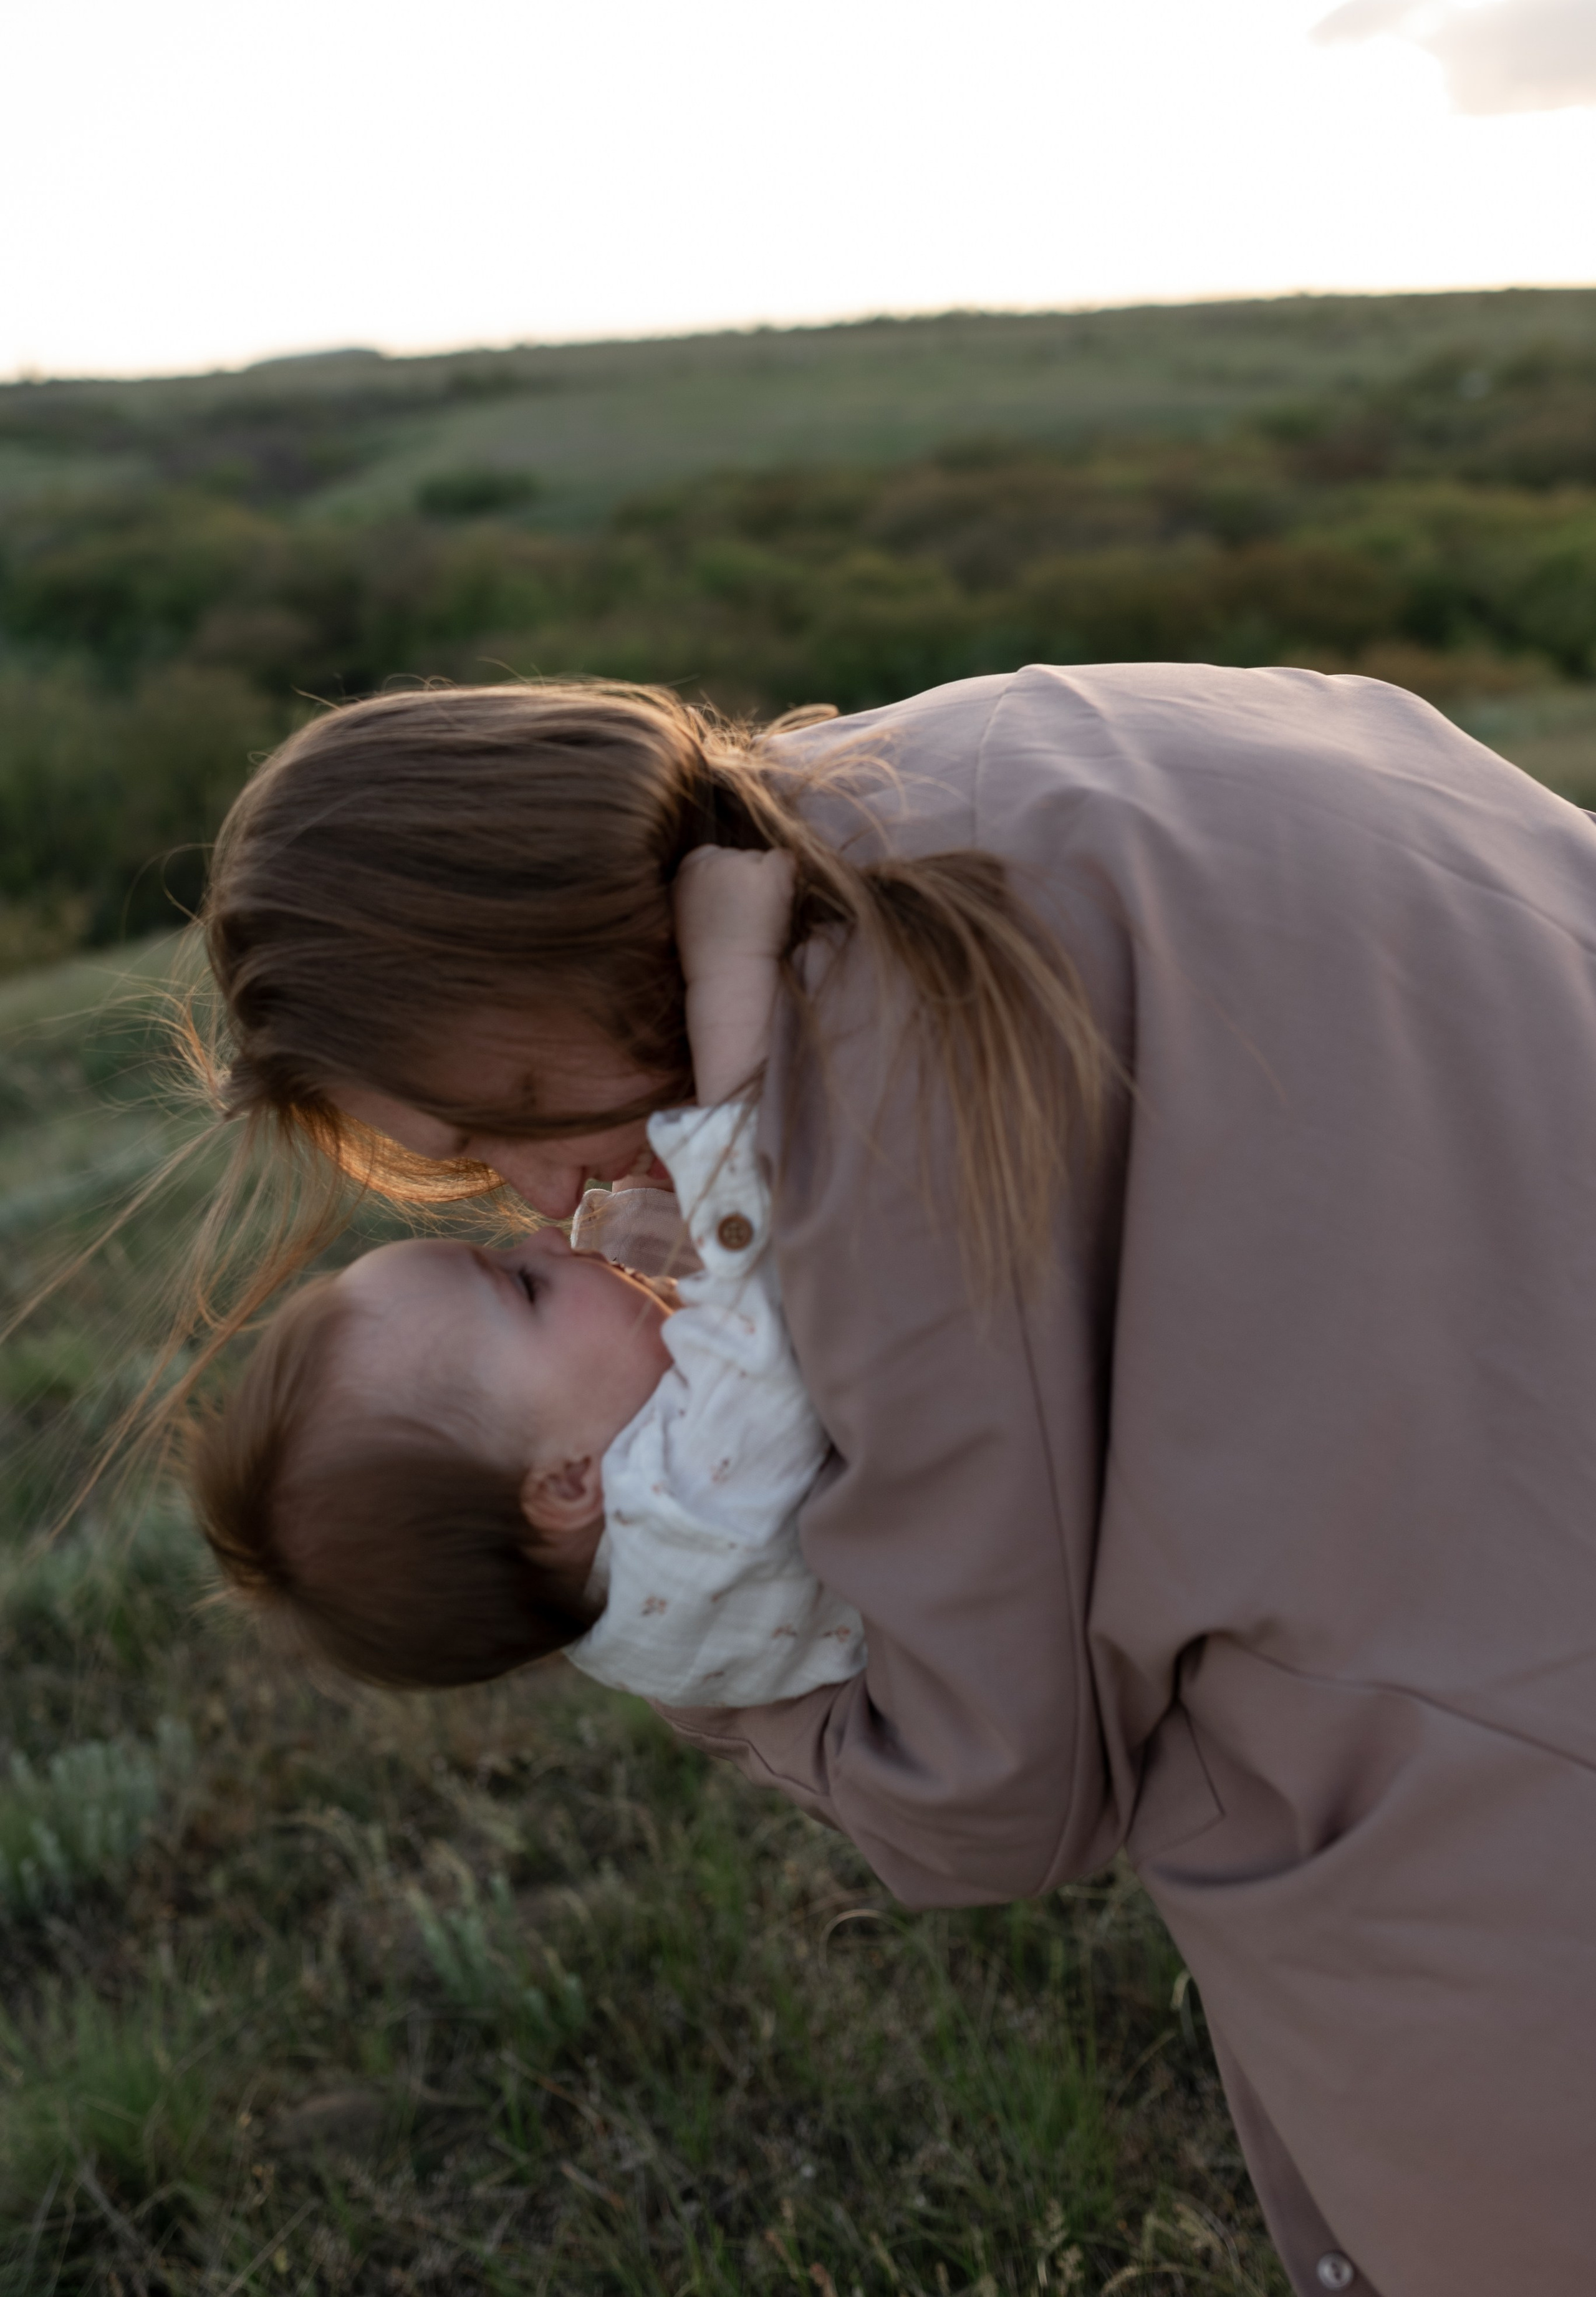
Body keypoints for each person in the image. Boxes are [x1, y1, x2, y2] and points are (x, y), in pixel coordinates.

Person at [189, 666, 1596, 2297]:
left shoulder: (859, 1080)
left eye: (491, 1118)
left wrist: (725, 1698)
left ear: (491, 948)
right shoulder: (977, 748)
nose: (541, 1192)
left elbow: (986, 1784)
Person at [190, 847, 865, 1704]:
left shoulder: (637, 1609)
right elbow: (761, 1246)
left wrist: (642, 1222)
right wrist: (731, 962)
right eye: (523, 1286)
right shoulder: (686, 1513)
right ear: (569, 1483)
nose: (548, 1240)